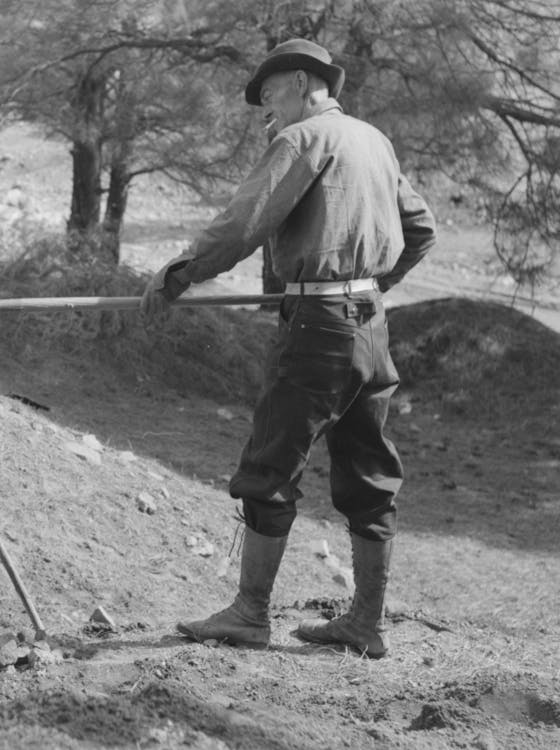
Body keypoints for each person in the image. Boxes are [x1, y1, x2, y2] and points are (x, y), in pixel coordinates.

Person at [140, 39, 436, 659]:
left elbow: (245, 222)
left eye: (270, 94)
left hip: (318, 328)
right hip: (370, 327)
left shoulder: (303, 141)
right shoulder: (373, 140)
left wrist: (178, 274)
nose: (265, 111)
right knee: (369, 472)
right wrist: (373, 284)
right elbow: (422, 229)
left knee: (271, 465)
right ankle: (365, 624)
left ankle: (250, 613)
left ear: (303, 83)